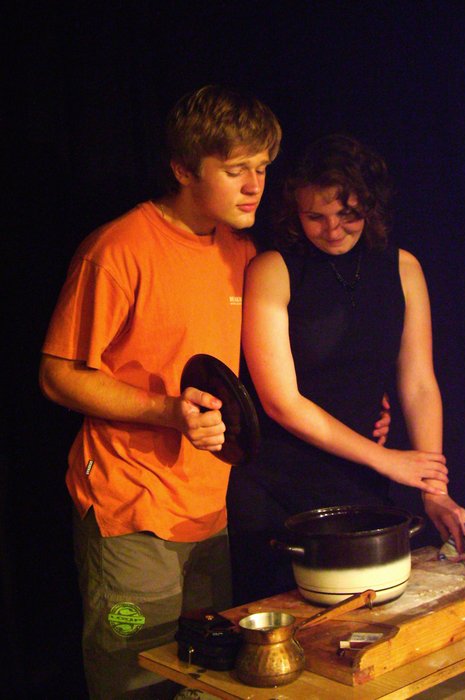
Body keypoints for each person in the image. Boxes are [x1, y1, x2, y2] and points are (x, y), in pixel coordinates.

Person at [39, 85, 282, 699]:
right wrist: (168, 412)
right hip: (130, 511)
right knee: (134, 668)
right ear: (183, 169)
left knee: (204, 675)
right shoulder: (119, 249)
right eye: (236, 170)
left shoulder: (241, 251)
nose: (254, 186)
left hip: (207, 512)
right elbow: (57, 374)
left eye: (261, 168)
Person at [227, 133, 465, 605]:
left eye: (348, 214)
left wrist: (434, 491)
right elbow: (281, 403)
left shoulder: (403, 268)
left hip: (361, 483)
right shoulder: (272, 269)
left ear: (370, 205)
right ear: (295, 212)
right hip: (278, 486)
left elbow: (419, 384)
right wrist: (388, 460)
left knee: (371, 621)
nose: (333, 230)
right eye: (315, 217)